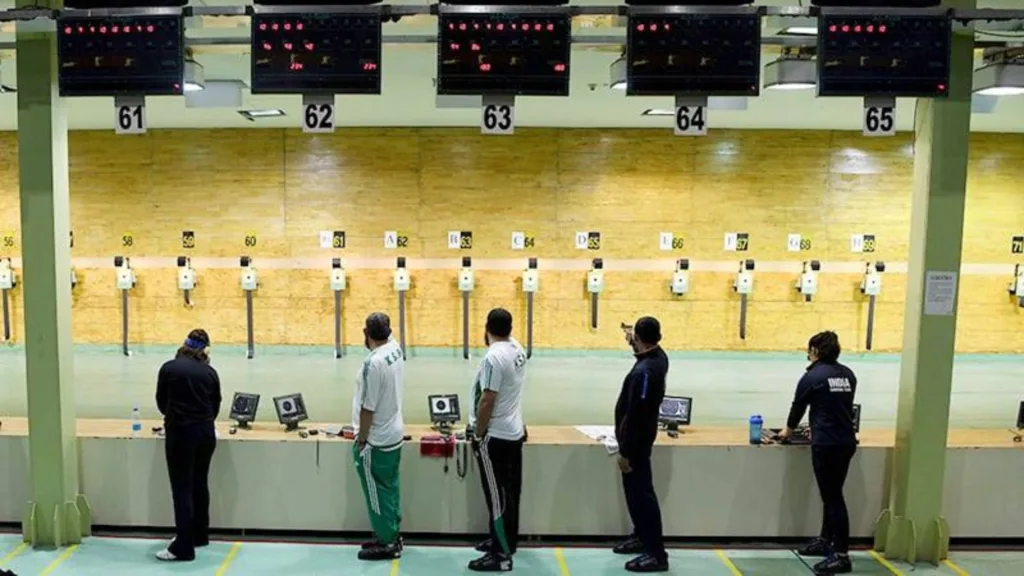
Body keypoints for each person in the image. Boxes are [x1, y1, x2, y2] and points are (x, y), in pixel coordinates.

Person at [780, 331, 858, 575]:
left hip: (826, 444)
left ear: (815, 351)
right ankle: (826, 540)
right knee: (832, 494)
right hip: (845, 440)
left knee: (833, 498)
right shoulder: (848, 374)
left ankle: (841, 555)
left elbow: (798, 406)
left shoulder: (812, 377)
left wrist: (787, 431)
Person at [468, 308, 527, 572]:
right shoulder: (516, 348)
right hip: (513, 433)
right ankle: (504, 541)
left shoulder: (494, 357)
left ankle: (501, 555)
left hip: (496, 436)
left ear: (486, 327)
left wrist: (479, 434)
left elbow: (487, 400)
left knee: (497, 498)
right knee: (509, 493)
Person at [155, 329, 221, 562]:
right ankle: (199, 535)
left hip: (181, 433)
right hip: (206, 434)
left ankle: (183, 547)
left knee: (182, 489)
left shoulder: (169, 368)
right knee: (199, 484)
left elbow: (161, 402)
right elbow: (215, 406)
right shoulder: (210, 372)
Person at [612, 317, 670, 573]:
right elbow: (644, 351)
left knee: (641, 496)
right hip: (641, 438)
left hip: (636, 443)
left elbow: (637, 414)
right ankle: (641, 536)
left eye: (634, 336)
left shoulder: (643, 372)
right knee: (636, 494)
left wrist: (625, 451)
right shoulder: (658, 357)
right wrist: (634, 340)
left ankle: (656, 554)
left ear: (640, 339)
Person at [352, 312, 406, 561]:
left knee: (376, 493)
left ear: (366, 333)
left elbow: (367, 408)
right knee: (390, 488)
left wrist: (362, 439)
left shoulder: (373, 363)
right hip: (393, 432)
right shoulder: (395, 348)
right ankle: (393, 534)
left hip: (376, 439)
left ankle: (386, 543)